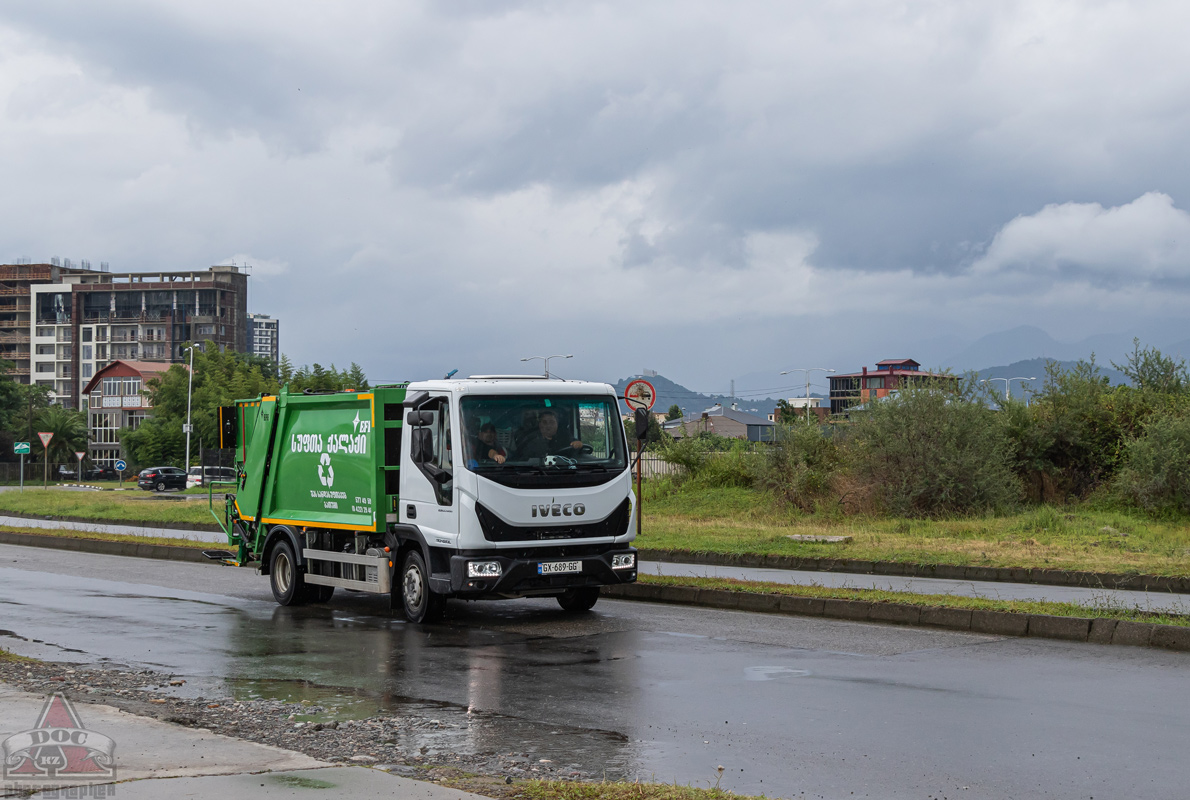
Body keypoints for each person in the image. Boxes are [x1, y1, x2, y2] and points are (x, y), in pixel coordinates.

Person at [518, 409, 583, 459]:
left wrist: (578, 444)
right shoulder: (530, 439)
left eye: (552, 422)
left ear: (557, 424)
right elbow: (523, 462)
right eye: (544, 422)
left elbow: (577, 444)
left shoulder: (565, 436)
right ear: (539, 424)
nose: (548, 426)